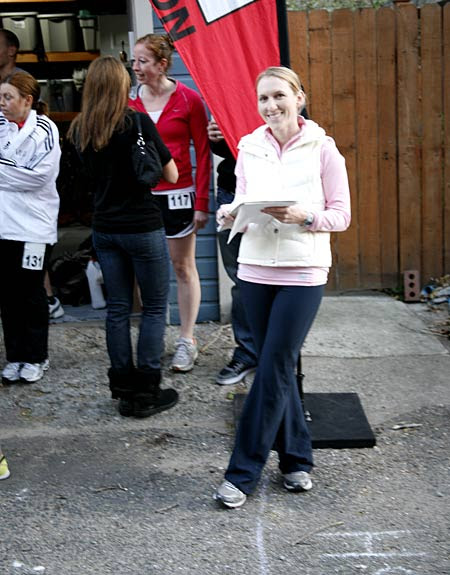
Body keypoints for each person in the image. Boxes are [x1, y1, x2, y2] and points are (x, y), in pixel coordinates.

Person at [214, 67, 351, 508]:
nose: (271, 106)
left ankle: (242, 472)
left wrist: (305, 217)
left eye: (279, 96)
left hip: (303, 271)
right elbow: (241, 199)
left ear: (299, 98)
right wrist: (230, 215)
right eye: (263, 99)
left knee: (272, 366)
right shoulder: (248, 147)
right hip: (254, 269)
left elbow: (341, 215)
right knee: (280, 366)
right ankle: (296, 460)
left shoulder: (324, 149)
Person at [67, 55, 179, 418]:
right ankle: (146, 392)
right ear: (121, 86)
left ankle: (123, 389)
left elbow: (80, 185)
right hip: (142, 227)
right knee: (154, 307)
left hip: (105, 229)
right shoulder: (137, 122)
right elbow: (172, 175)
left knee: (117, 309)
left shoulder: (79, 130)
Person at [129, 34, 211, 373]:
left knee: (182, 266)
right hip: (141, 198)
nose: (136, 67)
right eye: (134, 61)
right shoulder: (129, 103)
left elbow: (203, 153)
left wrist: (202, 202)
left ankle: (186, 340)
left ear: (162, 64)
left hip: (179, 195)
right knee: (145, 269)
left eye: (143, 61)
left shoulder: (189, 100)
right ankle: (151, 339)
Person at [0, 72, 61, 384]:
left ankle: (37, 355)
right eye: (0, 96)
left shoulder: (45, 129)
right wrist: (15, 173)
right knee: (8, 293)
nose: (2, 103)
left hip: (34, 226)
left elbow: (39, 177)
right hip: (3, 225)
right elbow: (23, 175)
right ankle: (15, 356)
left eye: (8, 97)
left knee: (31, 291)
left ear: (27, 100)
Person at [207, 120, 257, 385]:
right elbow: (226, 150)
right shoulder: (227, 93)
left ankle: (274, 352)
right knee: (240, 278)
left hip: (271, 193)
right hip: (231, 192)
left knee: (276, 275)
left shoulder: (286, 97)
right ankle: (247, 353)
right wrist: (216, 138)